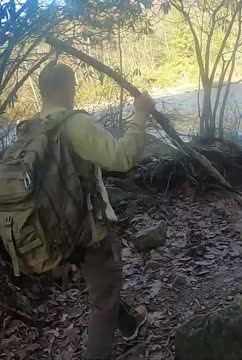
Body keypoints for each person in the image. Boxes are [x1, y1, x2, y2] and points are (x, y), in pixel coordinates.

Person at [37, 62, 154, 360]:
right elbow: (122, 156)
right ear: (66, 88)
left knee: (102, 284)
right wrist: (140, 115)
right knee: (104, 295)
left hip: (57, 230)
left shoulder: (35, 127)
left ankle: (129, 323)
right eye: (73, 88)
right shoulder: (74, 124)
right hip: (88, 230)